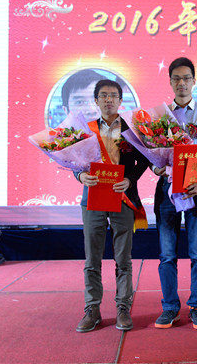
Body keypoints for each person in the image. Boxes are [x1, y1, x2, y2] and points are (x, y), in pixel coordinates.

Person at [74, 79, 149, 333]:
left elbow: (145, 160)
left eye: (113, 95)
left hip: (122, 197)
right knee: (92, 258)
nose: (109, 100)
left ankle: (123, 308)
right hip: (93, 198)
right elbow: (74, 161)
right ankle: (92, 309)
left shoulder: (131, 130)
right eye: (104, 95)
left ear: (120, 100)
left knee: (123, 258)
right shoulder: (86, 130)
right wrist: (80, 176)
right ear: (96, 100)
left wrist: (130, 179)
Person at [153, 57, 197, 330]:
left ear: (194, 81)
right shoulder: (160, 116)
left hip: (196, 191)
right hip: (167, 191)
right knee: (167, 255)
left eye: (186, 78)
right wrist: (157, 168)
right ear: (170, 82)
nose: (182, 83)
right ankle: (169, 307)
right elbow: (152, 154)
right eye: (176, 78)